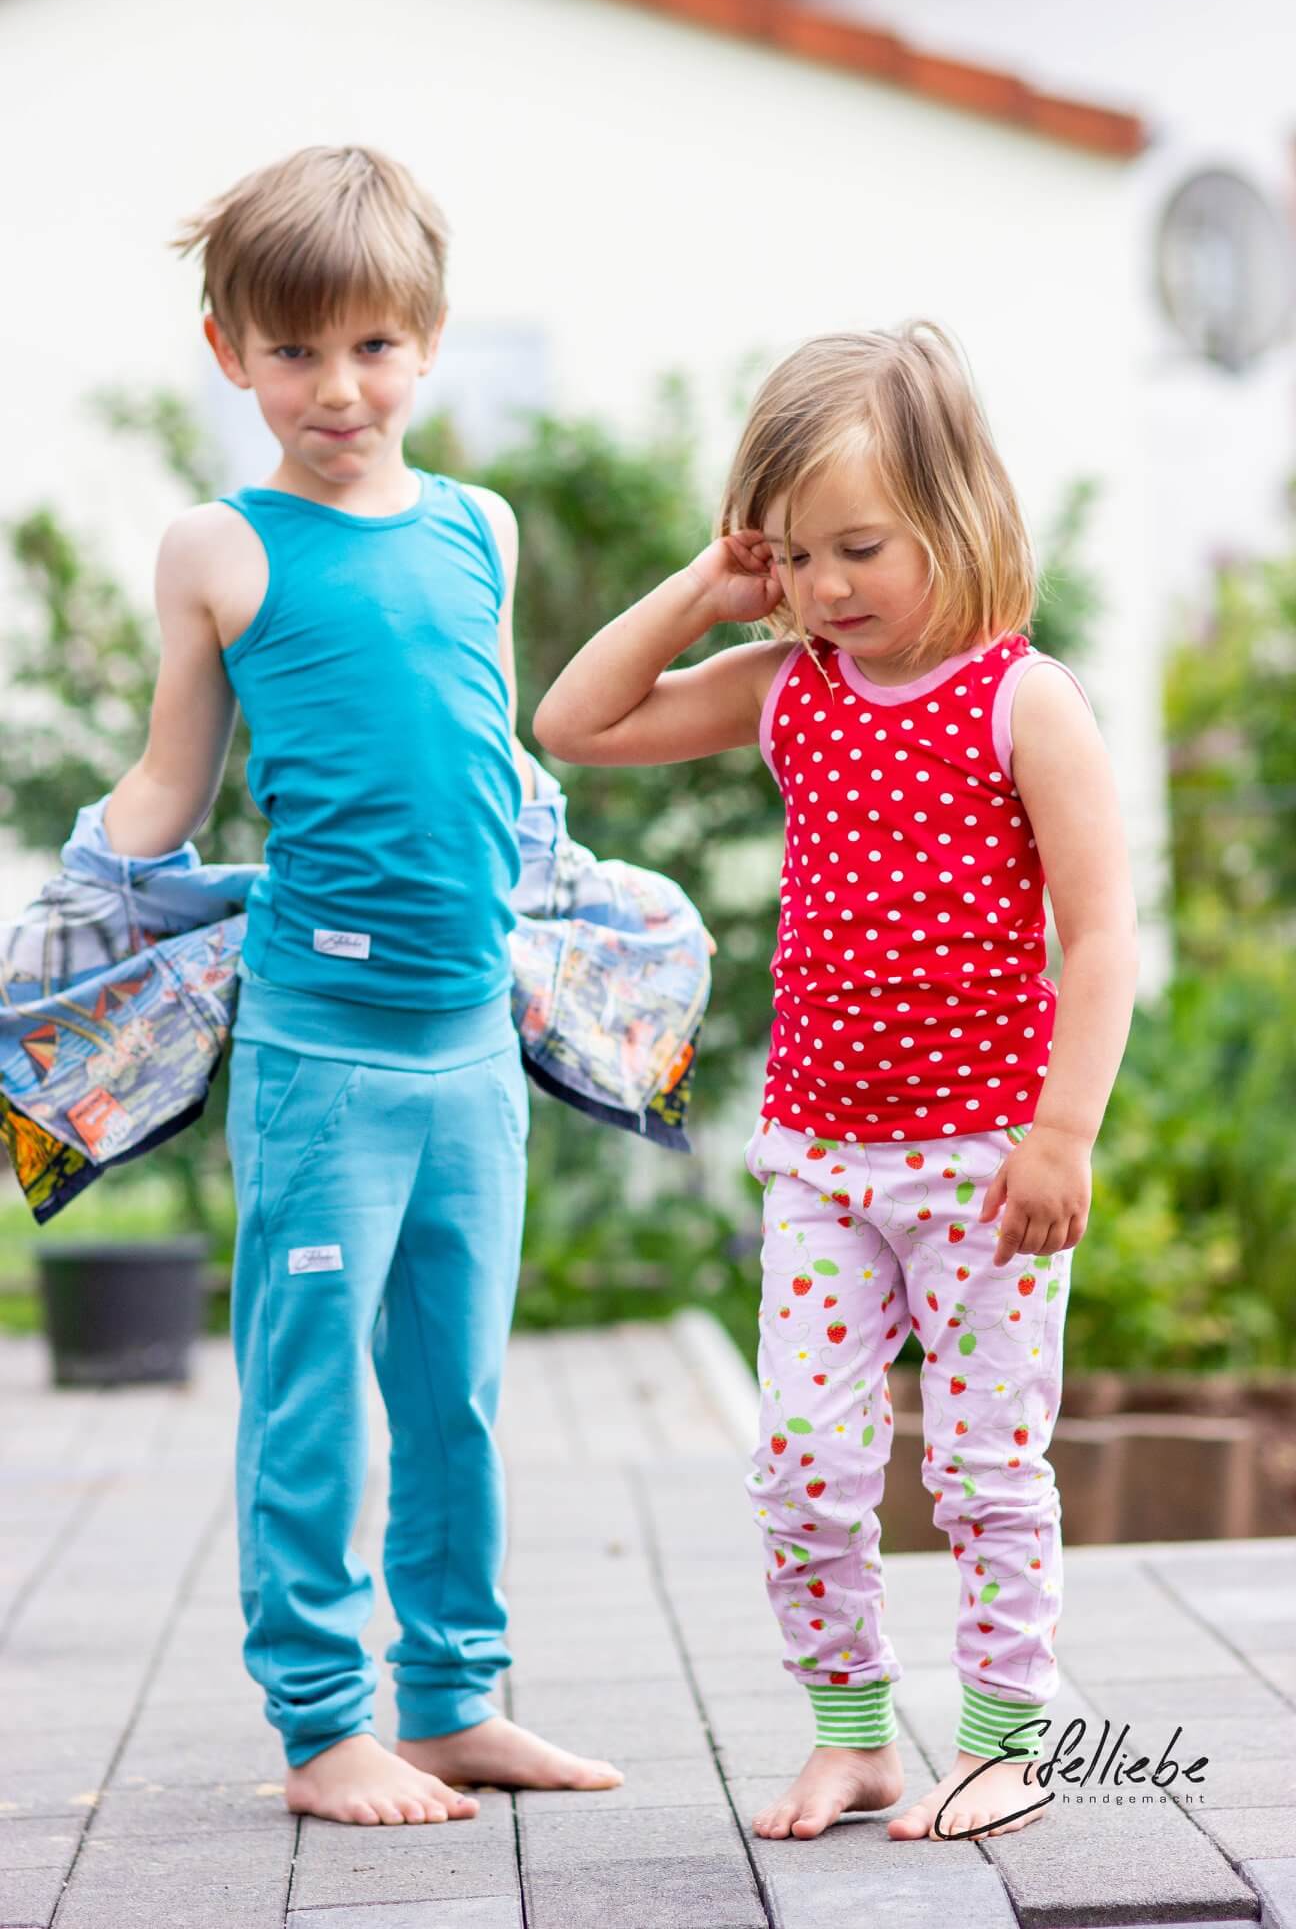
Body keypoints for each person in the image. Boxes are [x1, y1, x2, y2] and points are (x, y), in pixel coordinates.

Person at [532, 322, 1139, 1844]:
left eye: (859, 548)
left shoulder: (1021, 701)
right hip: (820, 1161)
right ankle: (854, 1733)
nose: (825, 588)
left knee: (987, 1469)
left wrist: (1064, 1132)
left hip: (988, 1164)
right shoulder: (788, 686)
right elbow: (575, 723)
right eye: (794, 556)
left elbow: (1104, 933)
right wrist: (704, 587)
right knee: (803, 1466)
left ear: (958, 514)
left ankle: (1006, 1741)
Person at [102, 144, 624, 1826]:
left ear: (433, 338)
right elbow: (171, 785)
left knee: (457, 1395)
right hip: (321, 1057)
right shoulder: (218, 548)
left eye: (376, 346)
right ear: (229, 353)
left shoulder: (481, 527)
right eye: (295, 351)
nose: (339, 388)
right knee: (314, 1396)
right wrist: (76, 901)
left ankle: (455, 1700)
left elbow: (495, 768)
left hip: (473, 1045)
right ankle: (325, 1725)